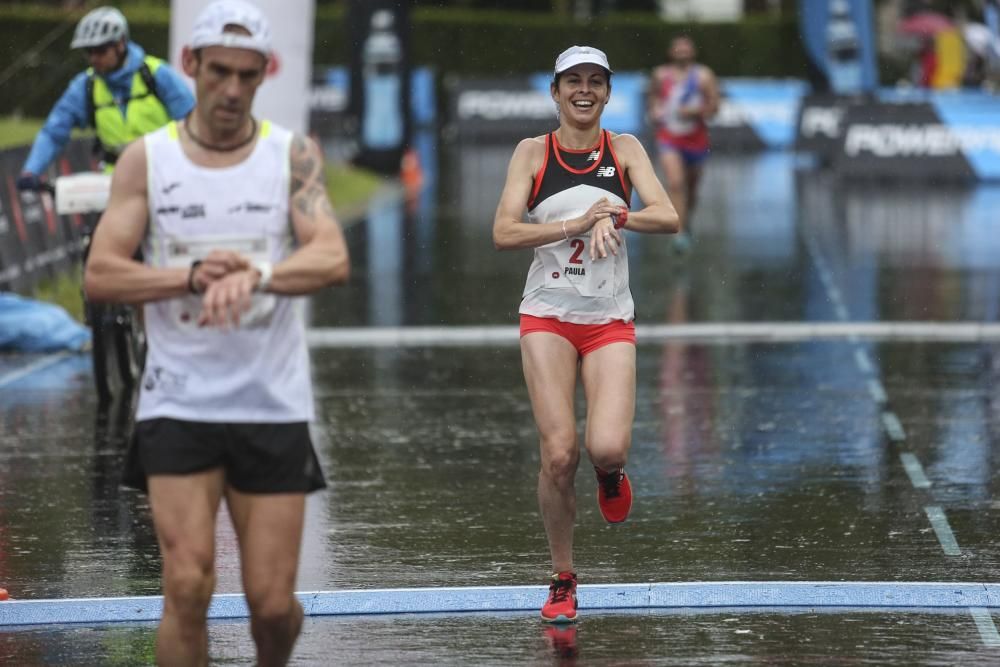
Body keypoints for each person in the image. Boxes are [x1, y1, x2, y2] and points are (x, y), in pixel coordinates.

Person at [83, 1, 349, 664]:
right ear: (190, 65)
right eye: (219, 72)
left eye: (247, 75)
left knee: (268, 604)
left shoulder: (293, 156)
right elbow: (101, 274)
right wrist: (191, 275)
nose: (231, 89)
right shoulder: (148, 160)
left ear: (266, 72)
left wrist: (256, 273)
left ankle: (282, 628)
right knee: (187, 581)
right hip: (180, 398)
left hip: (270, 401)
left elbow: (331, 257)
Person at [493, 45, 678, 623]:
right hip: (546, 316)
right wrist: (579, 221)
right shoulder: (531, 153)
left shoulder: (624, 150)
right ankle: (562, 579)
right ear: (554, 91)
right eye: (573, 80)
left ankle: (611, 474)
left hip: (607, 320)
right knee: (557, 454)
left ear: (607, 92)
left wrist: (616, 214)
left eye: (595, 81)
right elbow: (503, 231)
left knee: (604, 447)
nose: (584, 90)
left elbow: (668, 216)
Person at [16, 6, 194, 191]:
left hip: (166, 176)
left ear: (121, 44)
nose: (94, 58)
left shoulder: (157, 74)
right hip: (117, 180)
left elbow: (192, 123)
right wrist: (31, 171)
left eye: (100, 50)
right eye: (88, 51)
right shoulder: (85, 85)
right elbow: (54, 132)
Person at [648, 36, 719, 252]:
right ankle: (679, 233)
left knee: (692, 187)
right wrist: (655, 111)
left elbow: (714, 108)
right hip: (669, 137)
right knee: (676, 183)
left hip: (696, 139)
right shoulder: (660, 75)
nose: (681, 51)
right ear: (670, 52)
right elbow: (653, 99)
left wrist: (693, 111)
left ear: (693, 52)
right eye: (677, 48)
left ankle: (686, 220)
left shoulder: (704, 76)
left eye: (685, 48)